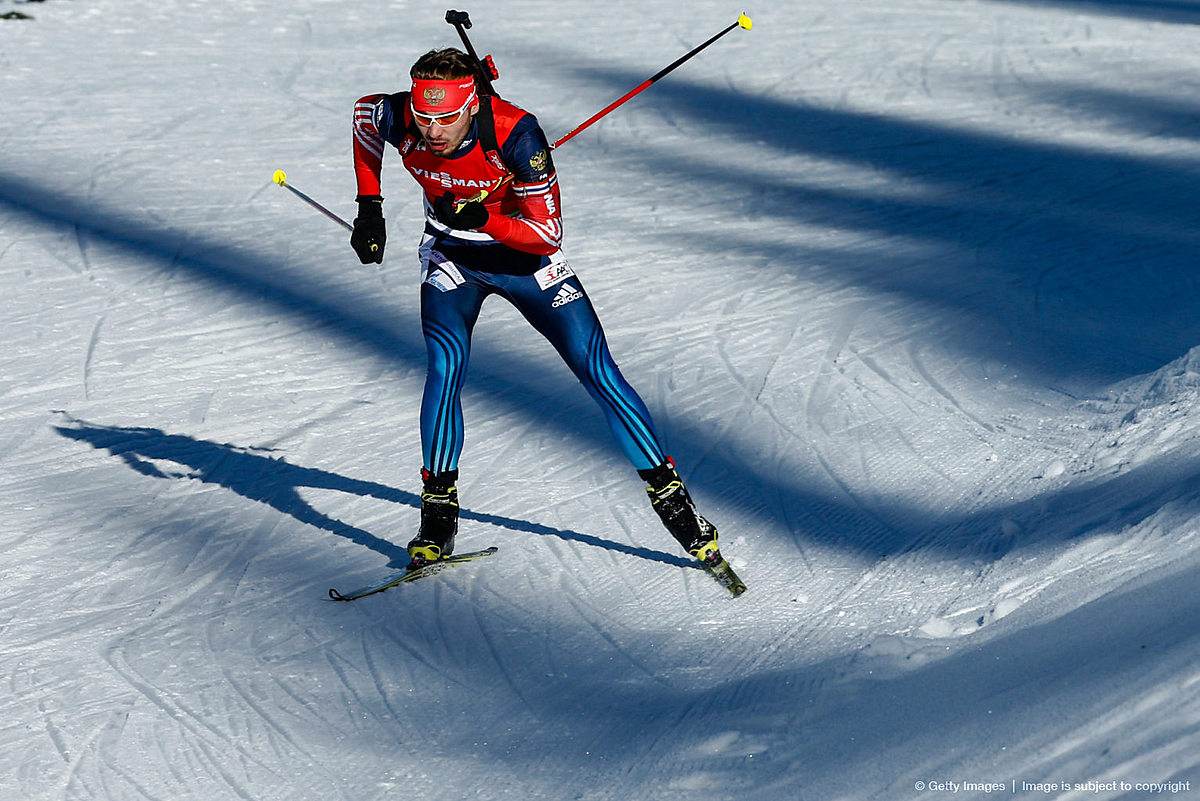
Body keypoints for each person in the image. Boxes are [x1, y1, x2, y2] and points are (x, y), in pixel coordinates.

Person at [350, 47, 725, 571]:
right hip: (452, 257)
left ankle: (674, 503)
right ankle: (438, 515)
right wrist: (370, 206)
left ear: (473, 107)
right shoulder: (399, 116)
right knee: (443, 367)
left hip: (529, 264)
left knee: (597, 370)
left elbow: (546, 233)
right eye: (424, 116)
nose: (433, 132)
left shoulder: (518, 137)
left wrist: (490, 220)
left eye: (446, 118)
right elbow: (365, 114)